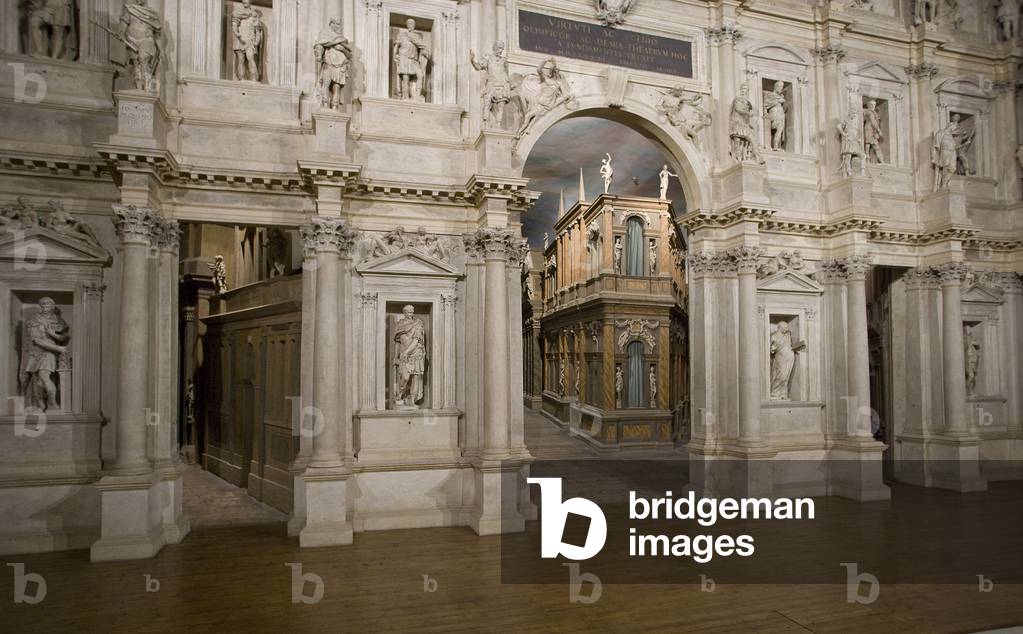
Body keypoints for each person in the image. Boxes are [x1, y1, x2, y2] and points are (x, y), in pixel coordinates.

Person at [19, 297, 70, 411]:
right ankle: (41, 405)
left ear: (52, 307)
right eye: (42, 306)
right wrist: (58, 348)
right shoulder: (34, 319)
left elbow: (65, 337)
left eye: (47, 306)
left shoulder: (58, 319)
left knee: (44, 376)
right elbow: (36, 340)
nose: (45, 308)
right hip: (36, 352)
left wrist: (53, 334)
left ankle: (53, 403)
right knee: (37, 380)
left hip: (49, 353)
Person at [119, 0, 162, 93]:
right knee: (136, 66)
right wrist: (120, 34)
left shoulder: (152, 14)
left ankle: (147, 88)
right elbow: (123, 26)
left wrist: (160, 49)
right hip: (131, 41)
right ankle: (139, 89)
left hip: (147, 40)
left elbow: (157, 34)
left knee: (143, 59)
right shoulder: (130, 10)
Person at [470, 41, 512, 129]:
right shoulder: (488, 58)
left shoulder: (504, 60)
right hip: (491, 84)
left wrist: (509, 84)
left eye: (502, 48)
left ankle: (498, 125)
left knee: (501, 106)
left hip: (503, 83)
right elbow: (478, 67)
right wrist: (472, 60)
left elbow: (506, 73)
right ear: (495, 47)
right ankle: (485, 124)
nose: (501, 50)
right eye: (500, 48)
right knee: (487, 104)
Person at [314, 17, 352, 110]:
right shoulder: (324, 34)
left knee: (337, 87)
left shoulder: (342, 39)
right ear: (332, 24)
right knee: (326, 84)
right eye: (338, 24)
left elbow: (349, 55)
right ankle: (325, 104)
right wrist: (319, 54)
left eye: (340, 24)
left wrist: (342, 49)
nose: (339, 27)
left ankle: (335, 106)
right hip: (329, 63)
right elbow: (319, 45)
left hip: (340, 66)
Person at [393, 305, 426, 407]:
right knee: (405, 377)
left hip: (416, 353)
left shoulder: (418, 324)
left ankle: (412, 399)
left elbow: (416, 340)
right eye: (408, 312)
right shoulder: (400, 325)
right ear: (404, 313)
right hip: (404, 354)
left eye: (412, 312)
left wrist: (407, 351)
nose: (411, 314)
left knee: (415, 377)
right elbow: (397, 343)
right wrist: (395, 356)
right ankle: (401, 393)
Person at [393, 19, 429, 101]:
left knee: (420, 75)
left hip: (414, 60)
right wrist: (394, 55)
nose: (410, 25)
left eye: (412, 24)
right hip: (404, 58)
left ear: (414, 25)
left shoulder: (417, 36)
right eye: (408, 23)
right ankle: (405, 96)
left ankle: (417, 95)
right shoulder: (403, 35)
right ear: (407, 25)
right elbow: (397, 45)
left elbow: (421, 46)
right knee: (406, 78)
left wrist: (425, 52)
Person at [769, 321, 805, 400]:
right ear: (779, 327)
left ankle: (783, 393)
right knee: (781, 376)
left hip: (789, 359)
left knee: (787, 377)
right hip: (780, 358)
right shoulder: (773, 336)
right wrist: (773, 349)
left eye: (787, 327)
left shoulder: (788, 335)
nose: (787, 329)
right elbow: (771, 349)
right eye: (785, 327)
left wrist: (797, 347)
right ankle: (774, 393)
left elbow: (791, 344)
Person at [730, 84, 763, 163]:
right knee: (738, 140)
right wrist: (749, 113)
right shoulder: (737, 99)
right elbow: (738, 109)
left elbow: (749, 111)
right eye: (743, 88)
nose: (744, 90)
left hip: (745, 124)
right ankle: (738, 158)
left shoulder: (748, 102)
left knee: (748, 141)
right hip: (737, 122)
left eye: (746, 89)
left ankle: (754, 156)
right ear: (741, 89)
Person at [232, 0, 264, 82]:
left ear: (250, 2)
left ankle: (253, 77)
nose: (245, 2)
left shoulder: (254, 15)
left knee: (250, 57)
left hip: (250, 40)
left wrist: (256, 41)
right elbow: (234, 25)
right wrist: (237, 34)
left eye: (247, 1)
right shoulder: (238, 13)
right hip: (240, 39)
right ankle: (241, 78)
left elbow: (258, 31)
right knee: (240, 59)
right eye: (244, 1)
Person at [763, 81, 787, 151]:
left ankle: (776, 146)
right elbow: (765, 104)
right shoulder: (770, 94)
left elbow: (785, 106)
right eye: (779, 86)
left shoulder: (781, 97)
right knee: (772, 128)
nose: (781, 88)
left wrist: (783, 101)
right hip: (774, 112)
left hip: (781, 113)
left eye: (782, 87)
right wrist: (778, 101)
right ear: (776, 87)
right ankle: (769, 145)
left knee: (780, 129)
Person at [862, 100, 885, 164]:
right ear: (868, 105)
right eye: (871, 104)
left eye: (874, 105)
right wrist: (879, 130)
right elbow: (873, 122)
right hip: (869, 128)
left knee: (874, 145)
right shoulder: (869, 112)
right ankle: (867, 161)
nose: (873, 106)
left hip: (872, 130)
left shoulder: (873, 112)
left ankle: (881, 161)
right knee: (868, 144)